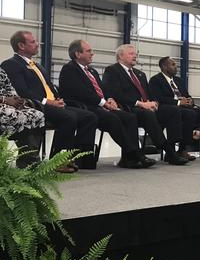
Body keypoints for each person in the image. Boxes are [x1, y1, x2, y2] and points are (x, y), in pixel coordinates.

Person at [2, 30, 98, 172]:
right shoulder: (11, 64)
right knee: (69, 118)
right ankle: (56, 161)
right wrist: (49, 102)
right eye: (33, 42)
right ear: (21, 45)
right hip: (36, 105)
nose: (37, 44)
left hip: (53, 104)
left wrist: (58, 99)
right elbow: (23, 92)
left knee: (89, 117)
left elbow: (50, 87)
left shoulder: (38, 66)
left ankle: (78, 157)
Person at [58, 39, 155, 169]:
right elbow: (81, 93)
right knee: (112, 118)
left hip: (99, 105)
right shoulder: (69, 69)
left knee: (129, 117)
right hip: (84, 106)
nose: (92, 54)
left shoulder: (92, 71)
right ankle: (135, 154)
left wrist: (109, 99)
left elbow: (102, 89)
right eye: (88, 51)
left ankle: (128, 158)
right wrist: (103, 103)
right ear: (77, 54)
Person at [102, 45, 188, 166]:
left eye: (135, 54)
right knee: (147, 115)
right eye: (131, 54)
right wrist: (140, 103)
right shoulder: (112, 70)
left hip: (145, 107)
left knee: (172, 111)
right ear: (120, 56)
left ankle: (173, 150)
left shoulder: (140, 74)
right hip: (128, 107)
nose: (135, 56)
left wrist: (154, 103)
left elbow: (150, 94)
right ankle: (166, 151)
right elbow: (113, 93)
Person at [148, 56, 200, 159]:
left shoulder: (178, 80)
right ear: (164, 67)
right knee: (188, 114)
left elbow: (187, 95)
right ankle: (181, 150)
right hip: (167, 110)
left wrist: (190, 101)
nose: (176, 67)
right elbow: (158, 99)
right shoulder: (155, 80)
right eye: (173, 64)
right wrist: (178, 102)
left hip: (185, 109)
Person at [0, 67, 44, 169]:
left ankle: (28, 159)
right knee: (18, 117)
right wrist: (4, 99)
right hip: (3, 105)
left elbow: (9, 87)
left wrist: (16, 99)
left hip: (9, 105)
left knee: (37, 115)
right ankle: (31, 160)